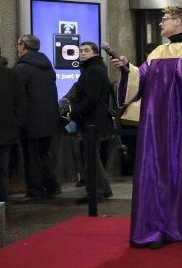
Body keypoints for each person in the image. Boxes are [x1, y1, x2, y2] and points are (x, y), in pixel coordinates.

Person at [112, 5, 182, 249]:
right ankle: (156, 228)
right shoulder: (157, 53)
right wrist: (126, 68)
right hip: (157, 127)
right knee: (157, 175)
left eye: (165, 20)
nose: (160, 24)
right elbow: (140, 79)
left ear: (178, 21)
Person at [65, 42, 115, 204]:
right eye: (80, 50)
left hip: (93, 121)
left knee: (91, 157)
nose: (82, 53)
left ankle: (96, 192)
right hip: (95, 119)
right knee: (93, 156)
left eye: (86, 50)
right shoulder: (93, 68)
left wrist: (74, 112)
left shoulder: (93, 70)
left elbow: (92, 98)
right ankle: (103, 189)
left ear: (94, 53)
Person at [13, 35, 61, 199]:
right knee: (44, 154)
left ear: (23, 46)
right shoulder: (46, 65)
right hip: (49, 120)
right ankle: (52, 186)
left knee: (31, 157)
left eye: (18, 44)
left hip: (31, 121)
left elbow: (17, 96)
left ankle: (35, 190)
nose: (17, 48)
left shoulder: (21, 68)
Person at [0, 61, 26, 203]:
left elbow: (20, 103)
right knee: (3, 169)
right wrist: (16, 123)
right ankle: (2, 204)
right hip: (7, 131)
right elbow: (21, 102)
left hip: (6, 130)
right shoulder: (11, 75)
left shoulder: (10, 75)